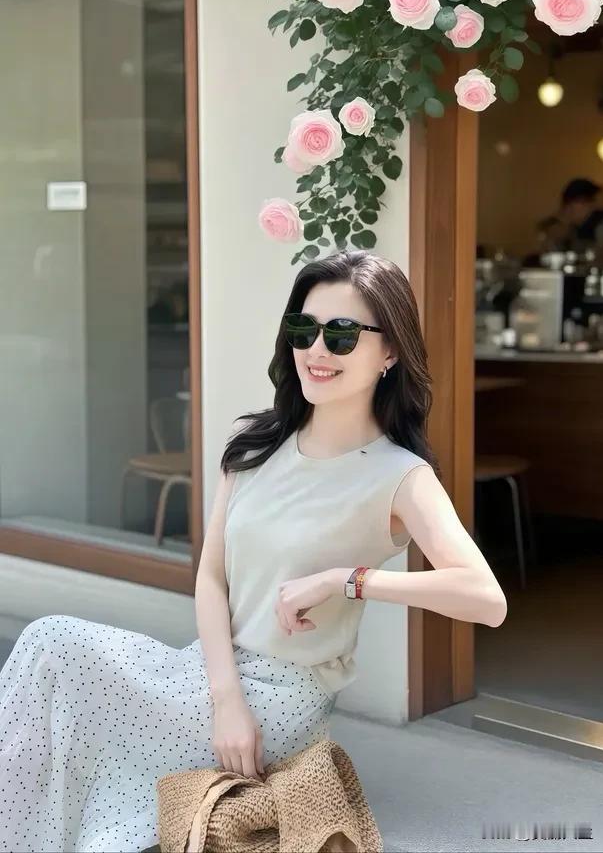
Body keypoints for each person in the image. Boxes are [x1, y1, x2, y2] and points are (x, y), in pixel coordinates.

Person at [0, 249, 508, 852]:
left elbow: (486, 599)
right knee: (51, 655)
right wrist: (226, 701)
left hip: (284, 696)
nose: (316, 350)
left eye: (342, 335)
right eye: (304, 329)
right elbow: (211, 577)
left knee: (56, 665)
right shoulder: (256, 446)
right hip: (209, 673)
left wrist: (346, 579)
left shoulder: (399, 476)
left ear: (390, 352)